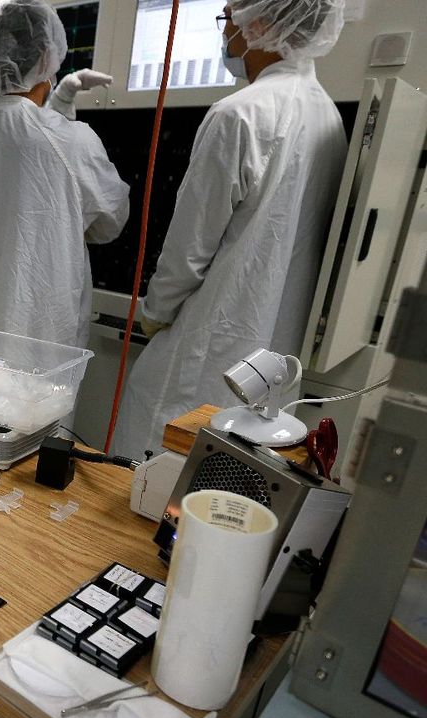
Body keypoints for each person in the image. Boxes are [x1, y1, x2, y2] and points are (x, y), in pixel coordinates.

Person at [112, 0, 348, 460]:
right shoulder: (329, 117)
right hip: (270, 353)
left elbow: (189, 249)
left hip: (206, 347)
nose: (227, 34)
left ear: (258, 23)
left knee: (151, 473)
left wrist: (156, 309)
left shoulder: (239, 113)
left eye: (228, 19)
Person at [0, 0, 129, 349]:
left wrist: (61, 104)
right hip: (36, 349)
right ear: (45, 60)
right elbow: (109, 222)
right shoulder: (72, 140)